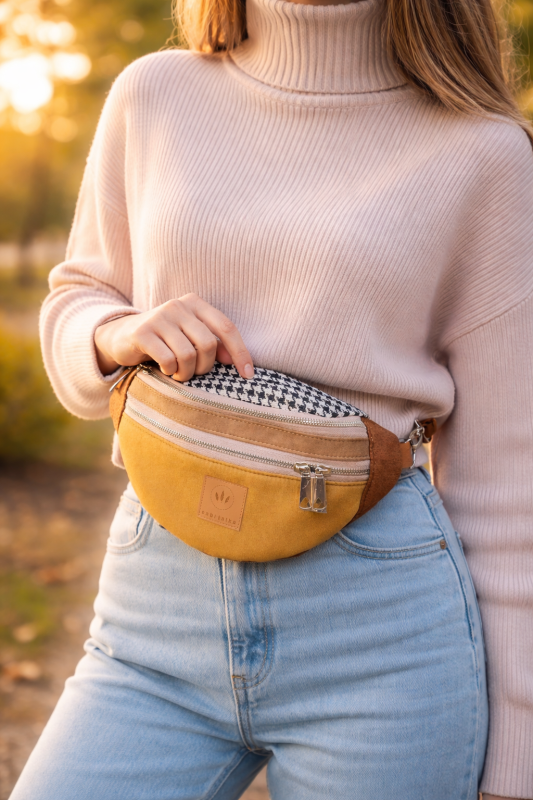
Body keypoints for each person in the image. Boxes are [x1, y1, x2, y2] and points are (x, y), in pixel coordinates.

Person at [10, 0, 533, 795]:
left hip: (380, 641)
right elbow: (77, 295)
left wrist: (515, 756)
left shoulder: (484, 152)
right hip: (154, 624)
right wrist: (117, 332)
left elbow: (507, 481)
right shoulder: (154, 95)